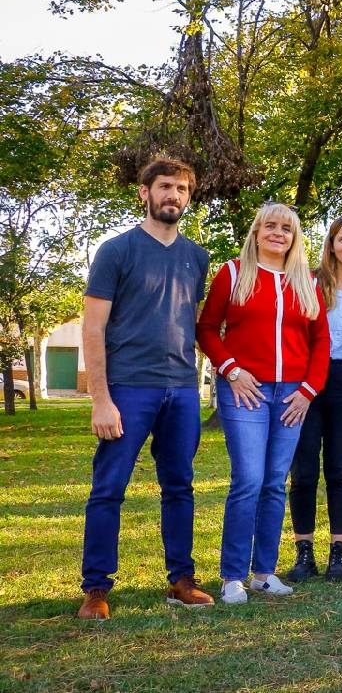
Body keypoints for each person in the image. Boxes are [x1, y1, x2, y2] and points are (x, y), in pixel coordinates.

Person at [78, 154, 214, 619]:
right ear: (145, 193)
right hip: (128, 388)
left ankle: (181, 579)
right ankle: (96, 589)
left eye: (181, 189)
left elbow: (187, 322)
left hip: (180, 390)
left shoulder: (197, 257)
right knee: (109, 488)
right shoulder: (117, 251)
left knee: (180, 486)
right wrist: (101, 398)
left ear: (188, 197)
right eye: (164, 187)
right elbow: (93, 328)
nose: (172, 195)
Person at [198, 203, 330, 604]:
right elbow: (206, 327)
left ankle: (264, 573)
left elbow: (321, 341)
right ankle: (232, 576)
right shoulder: (233, 273)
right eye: (270, 226)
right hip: (245, 390)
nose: (278, 233)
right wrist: (231, 370)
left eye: (286, 228)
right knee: (249, 480)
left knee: (274, 482)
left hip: (291, 393)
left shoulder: (308, 281)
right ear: (256, 233)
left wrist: (308, 391)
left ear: (295, 237)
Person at [285, 215, 342, 583]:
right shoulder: (309, 283)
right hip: (308, 382)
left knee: (340, 472)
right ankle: (304, 552)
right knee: (304, 471)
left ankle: (338, 553)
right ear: (332, 243)